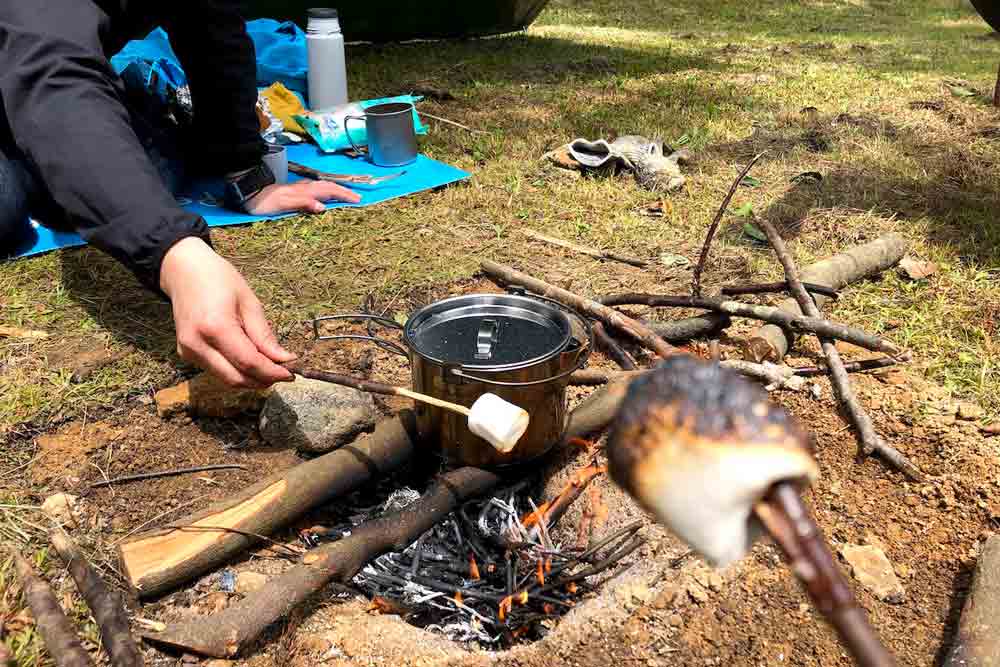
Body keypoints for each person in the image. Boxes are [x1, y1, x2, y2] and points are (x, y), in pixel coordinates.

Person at [0, 2, 360, 388]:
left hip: (63, 75)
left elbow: (214, 27)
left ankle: (68, 154)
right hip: (42, 67)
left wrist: (245, 171)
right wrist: (173, 251)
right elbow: (56, 77)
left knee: (145, 175)